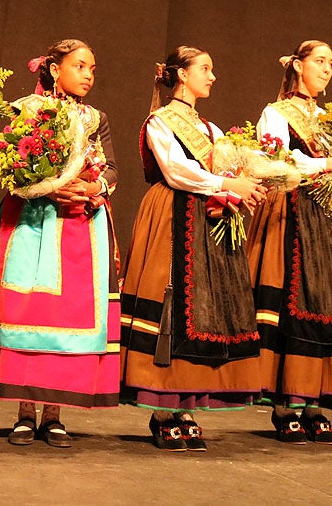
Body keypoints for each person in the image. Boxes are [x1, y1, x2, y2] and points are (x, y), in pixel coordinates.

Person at [0, 39, 119, 448]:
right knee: (24, 310)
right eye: (80, 66)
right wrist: (45, 187)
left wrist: (90, 186)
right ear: (54, 69)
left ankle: (55, 413)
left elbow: (112, 170)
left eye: (92, 68)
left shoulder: (95, 118)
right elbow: (9, 163)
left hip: (79, 224)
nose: (87, 74)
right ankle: (25, 412)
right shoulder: (26, 109)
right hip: (31, 220)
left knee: (68, 318)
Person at [119, 45, 268, 451]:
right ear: (181, 75)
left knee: (202, 308)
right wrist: (226, 185)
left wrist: (247, 182)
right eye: (205, 68)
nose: (212, 76)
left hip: (207, 218)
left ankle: (188, 405)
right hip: (173, 216)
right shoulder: (160, 121)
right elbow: (177, 171)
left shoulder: (212, 130)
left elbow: (228, 167)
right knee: (171, 302)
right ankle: (162, 409)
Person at [245, 40, 332, 445]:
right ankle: (285, 404)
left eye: (331, 62)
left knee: (328, 301)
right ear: (298, 66)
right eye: (320, 61)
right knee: (295, 301)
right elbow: (278, 161)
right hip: (294, 212)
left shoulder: (329, 118)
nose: (327, 69)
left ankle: (316, 403)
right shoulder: (275, 114)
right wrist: (328, 164)